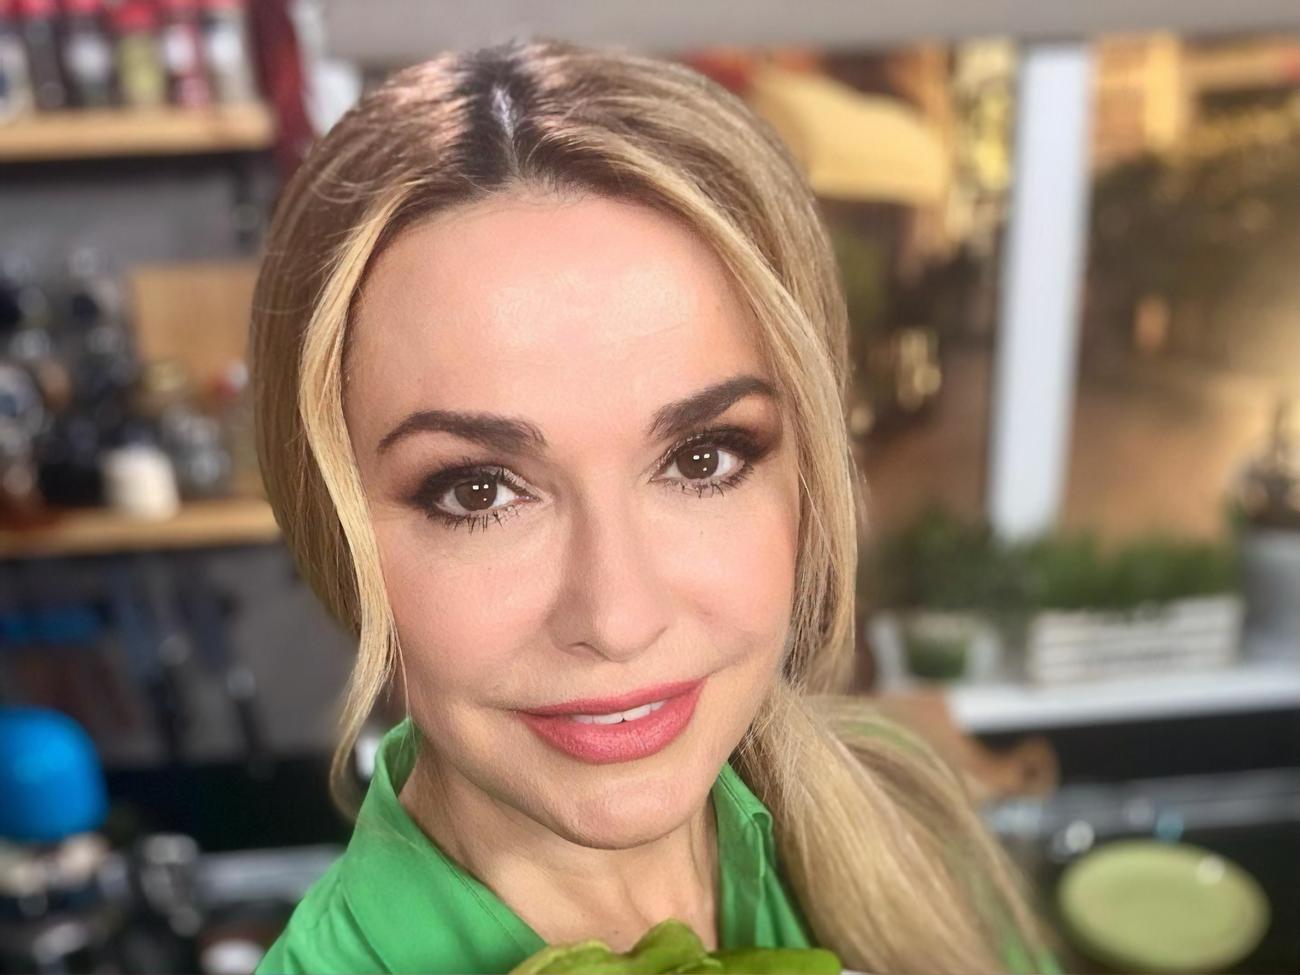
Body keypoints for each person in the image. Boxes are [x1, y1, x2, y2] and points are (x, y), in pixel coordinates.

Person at [248, 37, 1057, 975]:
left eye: (703, 458)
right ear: (333, 522)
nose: (618, 618)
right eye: (477, 490)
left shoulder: (919, 830)